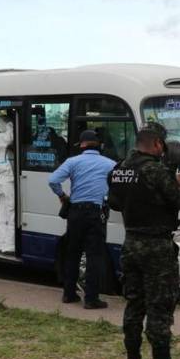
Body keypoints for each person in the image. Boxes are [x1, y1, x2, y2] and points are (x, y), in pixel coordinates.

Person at [107, 125, 180, 359]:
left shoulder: (118, 169)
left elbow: (114, 203)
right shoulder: (156, 171)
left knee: (134, 304)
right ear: (157, 144)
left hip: (131, 243)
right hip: (156, 246)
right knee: (160, 308)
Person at [47, 130, 116, 309]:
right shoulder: (110, 164)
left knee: (73, 253)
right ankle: (91, 299)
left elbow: (53, 180)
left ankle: (69, 294)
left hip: (75, 212)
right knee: (94, 256)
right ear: (98, 146)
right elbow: (117, 187)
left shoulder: (72, 162)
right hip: (96, 213)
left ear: (82, 145)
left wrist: (62, 196)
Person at [0, 115, 15, 253]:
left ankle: (1, 242)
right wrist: (11, 125)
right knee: (10, 212)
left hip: (4, 180)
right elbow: (9, 138)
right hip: (7, 179)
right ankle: (9, 243)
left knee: (4, 212)